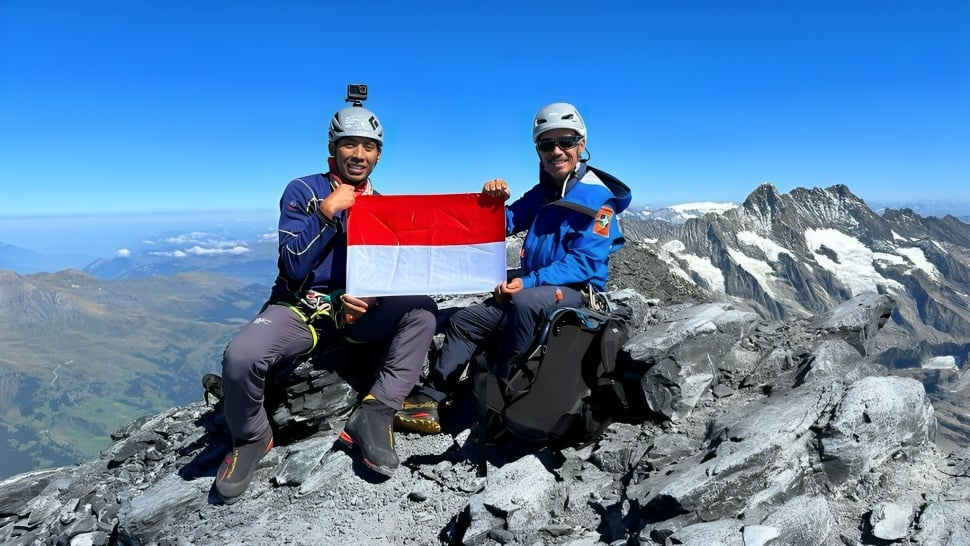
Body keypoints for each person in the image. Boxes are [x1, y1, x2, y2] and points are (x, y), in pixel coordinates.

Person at [214, 88, 437, 503]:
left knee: (422, 310)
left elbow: (392, 273)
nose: (358, 153)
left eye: (368, 147)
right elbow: (294, 266)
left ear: (378, 155)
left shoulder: (383, 207)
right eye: (349, 144)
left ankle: (375, 413)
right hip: (301, 310)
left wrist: (370, 300)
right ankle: (251, 438)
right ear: (332, 150)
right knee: (241, 356)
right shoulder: (303, 191)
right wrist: (326, 213)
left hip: (357, 315)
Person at [393, 102, 632, 435]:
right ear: (538, 150)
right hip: (535, 287)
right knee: (465, 321)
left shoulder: (598, 202)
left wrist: (530, 281)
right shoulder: (542, 194)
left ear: (581, 145)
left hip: (574, 293)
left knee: (524, 303)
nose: (556, 151)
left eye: (565, 141)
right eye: (547, 144)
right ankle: (431, 397)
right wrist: (490, 203)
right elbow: (502, 224)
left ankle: (505, 388)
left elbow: (585, 262)